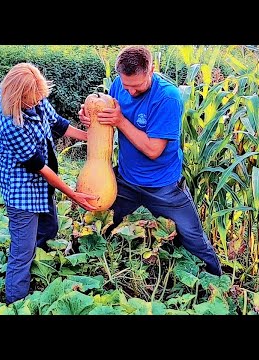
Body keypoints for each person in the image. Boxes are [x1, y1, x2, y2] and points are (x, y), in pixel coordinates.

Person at [78, 45, 222, 276]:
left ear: (151, 70)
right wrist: (92, 119)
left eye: (137, 86)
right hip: (126, 180)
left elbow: (153, 150)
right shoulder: (119, 86)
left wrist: (120, 120)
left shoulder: (168, 97)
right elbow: (107, 125)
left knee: (193, 238)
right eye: (126, 86)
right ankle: (85, 271)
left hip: (163, 186)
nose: (131, 92)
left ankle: (217, 282)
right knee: (98, 223)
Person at [0, 62, 98, 304]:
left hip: (42, 186)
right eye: (34, 99)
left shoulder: (35, 96)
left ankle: (31, 254)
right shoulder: (10, 124)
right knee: (21, 254)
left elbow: (58, 124)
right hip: (22, 192)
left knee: (50, 228)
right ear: (19, 97)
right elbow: (38, 165)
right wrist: (73, 194)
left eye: (40, 97)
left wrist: (91, 137)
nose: (38, 102)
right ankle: (15, 303)